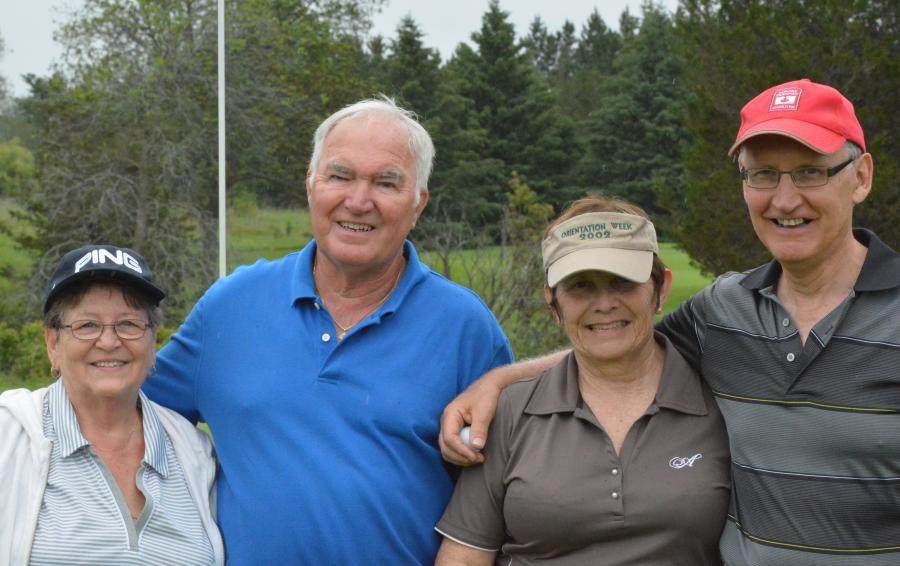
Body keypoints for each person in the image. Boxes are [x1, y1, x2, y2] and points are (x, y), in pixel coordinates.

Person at [440, 78, 900, 565]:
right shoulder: (723, 311)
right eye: (763, 174)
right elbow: (620, 344)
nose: (784, 200)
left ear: (861, 177)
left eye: (809, 172)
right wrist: (498, 383)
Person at [142, 97, 513, 564]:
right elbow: (120, 415)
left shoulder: (465, 327)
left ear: (418, 203)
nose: (358, 201)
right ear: (311, 185)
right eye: (340, 176)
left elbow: (509, 484)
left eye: (386, 183)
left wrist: (511, 377)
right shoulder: (231, 305)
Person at [434, 197, 731, 565]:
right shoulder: (509, 412)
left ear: (661, 289)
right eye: (580, 286)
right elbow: (464, 557)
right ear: (553, 302)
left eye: (623, 282)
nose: (604, 303)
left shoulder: (721, 400)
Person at [0, 244, 223, 565]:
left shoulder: (196, 454)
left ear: (152, 343)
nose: (108, 341)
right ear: (53, 344)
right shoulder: (8, 435)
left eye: (129, 324)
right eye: (87, 325)